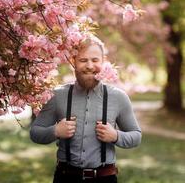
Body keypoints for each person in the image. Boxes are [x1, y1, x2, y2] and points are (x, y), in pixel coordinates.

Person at [30, 37, 142, 183]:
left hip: (104, 178)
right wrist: (56, 131)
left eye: (95, 60)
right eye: (83, 60)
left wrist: (115, 136)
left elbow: (136, 136)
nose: (89, 66)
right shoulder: (57, 95)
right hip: (65, 177)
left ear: (103, 61)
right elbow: (35, 132)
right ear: (73, 61)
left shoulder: (118, 97)